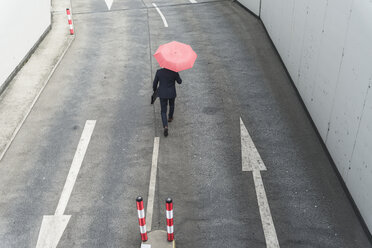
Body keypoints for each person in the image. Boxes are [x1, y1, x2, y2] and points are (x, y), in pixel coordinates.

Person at [153, 68, 182, 137]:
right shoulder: (174, 71)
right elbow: (180, 81)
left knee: (163, 111)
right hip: (172, 93)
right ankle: (170, 117)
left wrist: (155, 90)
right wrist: (177, 74)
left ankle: (165, 126)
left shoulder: (159, 72)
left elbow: (155, 83)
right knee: (172, 105)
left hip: (162, 94)